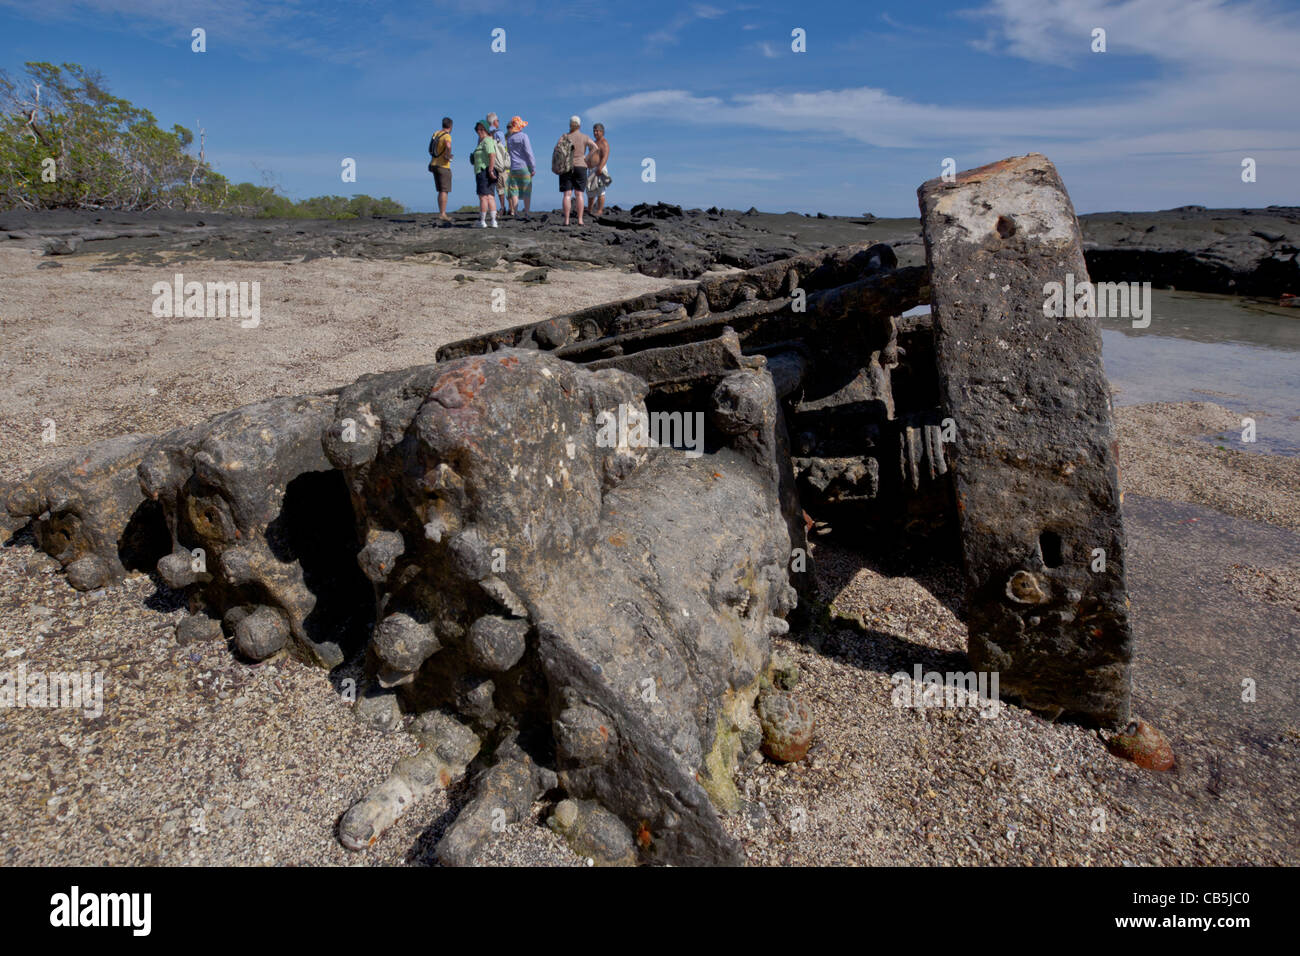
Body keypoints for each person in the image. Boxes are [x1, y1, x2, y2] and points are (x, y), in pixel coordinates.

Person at [558, 115, 597, 225]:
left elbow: (557, 148)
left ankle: (566, 220)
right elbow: (595, 147)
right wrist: (586, 157)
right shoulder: (584, 137)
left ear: (570, 124)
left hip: (567, 167)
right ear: (579, 125)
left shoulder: (565, 136)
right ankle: (580, 220)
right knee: (579, 194)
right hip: (581, 165)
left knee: (567, 195)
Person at [504, 116, 535, 219]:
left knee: (514, 191)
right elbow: (529, 153)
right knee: (527, 190)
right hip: (524, 167)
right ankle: (527, 213)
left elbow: (509, 153)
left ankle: (516, 213)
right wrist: (533, 167)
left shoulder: (509, 139)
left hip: (513, 168)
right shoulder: (524, 136)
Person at [471, 121, 498, 228]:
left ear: (486, 130)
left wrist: (490, 170)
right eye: (478, 129)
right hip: (484, 171)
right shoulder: (483, 141)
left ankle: (482, 221)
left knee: (484, 197)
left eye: (482, 129)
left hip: (484, 171)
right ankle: (493, 221)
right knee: (490, 196)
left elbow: (492, 155)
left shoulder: (487, 141)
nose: (479, 131)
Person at [428, 117, 453, 221]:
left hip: (433, 164)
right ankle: (442, 213)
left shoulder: (436, 133)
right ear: (450, 126)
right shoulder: (447, 136)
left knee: (440, 190)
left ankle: (441, 212)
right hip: (443, 166)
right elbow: (448, 145)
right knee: (444, 190)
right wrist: (447, 155)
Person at [485, 113, 509, 215]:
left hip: (488, 163)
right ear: (494, 122)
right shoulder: (500, 133)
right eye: (498, 120)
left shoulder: (485, 132)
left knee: (491, 188)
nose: (499, 122)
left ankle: (492, 208)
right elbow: (503, 148)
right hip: (499, 163)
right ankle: (506, 208)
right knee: (503, 187)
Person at [586, 122, 611, 216]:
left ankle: (600, 210)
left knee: (600, 190)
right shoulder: (593, 142)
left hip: (600, 168)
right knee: (590, 191)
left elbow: (605, 156)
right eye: (594, 131)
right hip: (591, 169)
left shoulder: (604, 142)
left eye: (597, 131)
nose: (595, 132)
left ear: (602, 131)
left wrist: (600, 168)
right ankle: (589, 209)